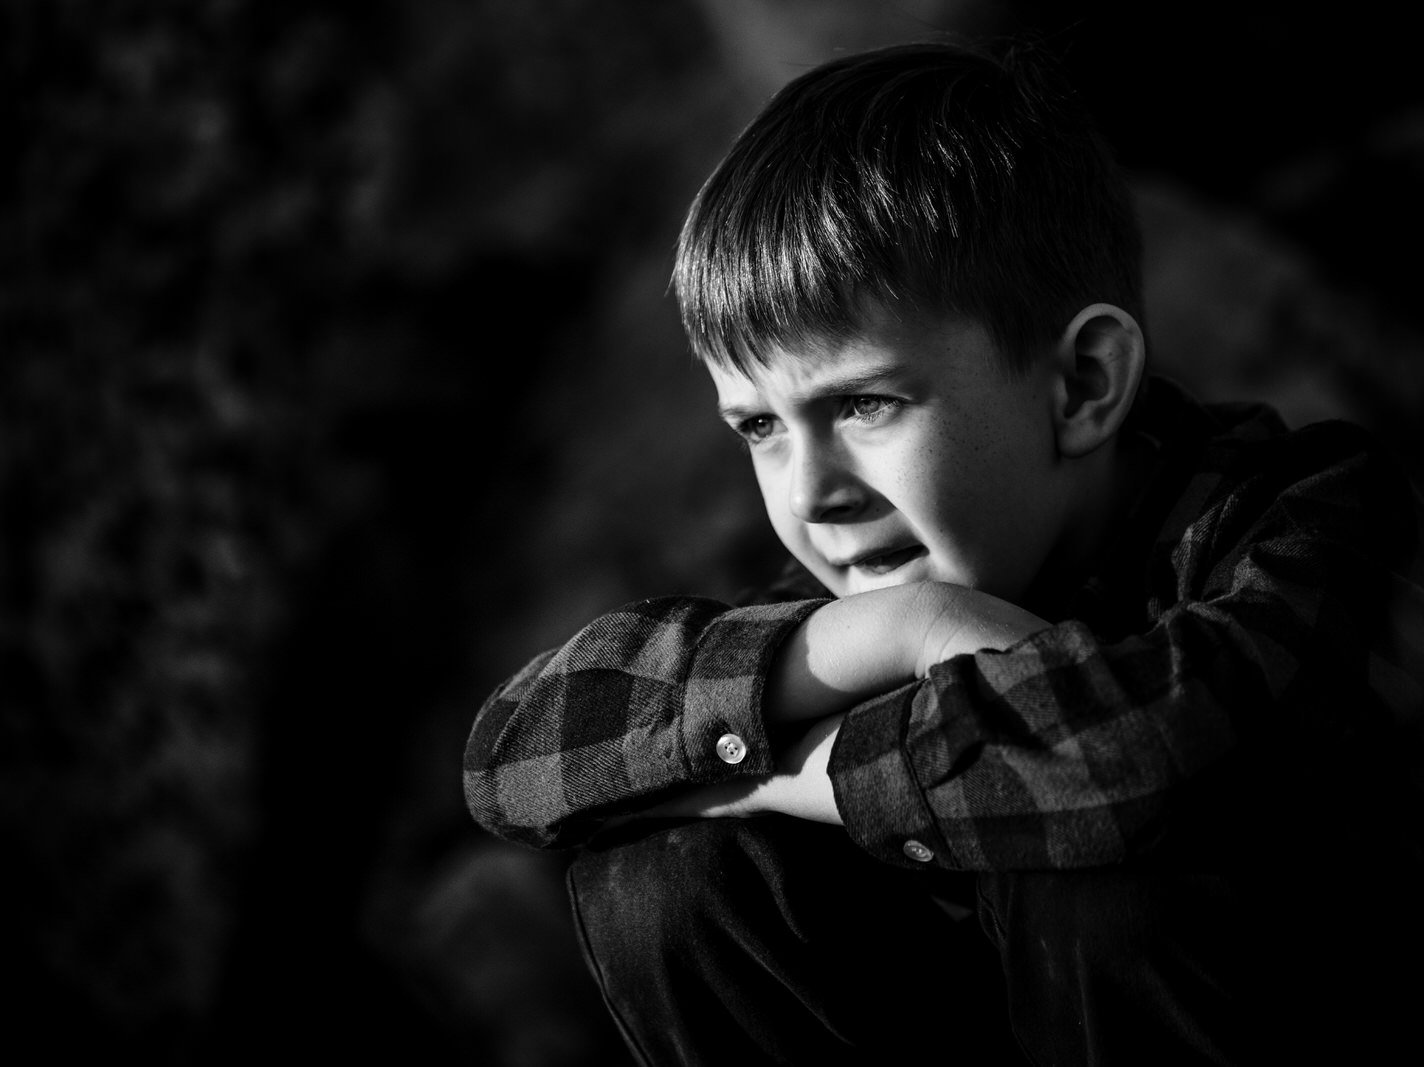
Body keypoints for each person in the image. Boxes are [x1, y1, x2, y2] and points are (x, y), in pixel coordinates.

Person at [463, 36, 1424, 1066]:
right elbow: (508, 753)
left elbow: (1152, 752)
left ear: (1084, 384)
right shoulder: (874, 592)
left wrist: (776, 767)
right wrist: (914, 626)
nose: (809, 492)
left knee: (1110, 881)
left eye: (866, 403)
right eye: (758, 426)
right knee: (662, 882)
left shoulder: (1302, 519)